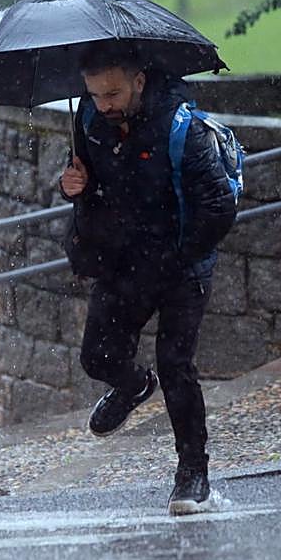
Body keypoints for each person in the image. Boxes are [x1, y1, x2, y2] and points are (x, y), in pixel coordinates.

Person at [59, 41, 237, 515]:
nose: (104, 105)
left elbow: (219, 207)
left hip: (181, 261)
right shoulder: (91, 123)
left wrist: (178, 259)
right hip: (123, 261)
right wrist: (70, 184)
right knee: (97, 358)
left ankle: (192, 476)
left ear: (139, 81)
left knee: (176, 364)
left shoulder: (182, 129)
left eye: (113, 93)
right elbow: (90, 183)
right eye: (95, 95)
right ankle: (135, 385)